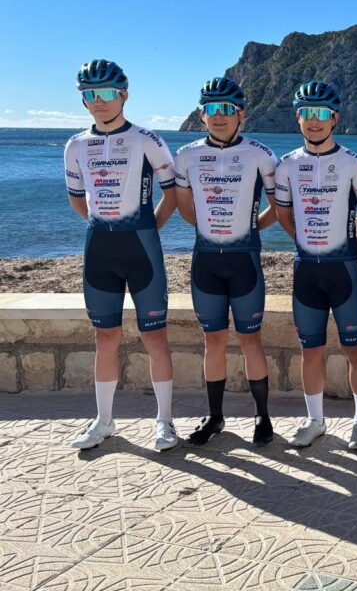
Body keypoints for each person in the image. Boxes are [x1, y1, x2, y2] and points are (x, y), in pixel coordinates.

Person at [64, 59, 179, 451]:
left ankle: (164, 422)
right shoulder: (76, 145)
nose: (98, 101)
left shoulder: (147, 139)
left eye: (107, 93)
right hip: (100, 248)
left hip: (142, 247)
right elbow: (77, 200)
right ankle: (103, 421)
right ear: (83, 99)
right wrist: (105, 225)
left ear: (124, 95)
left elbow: (172, 195)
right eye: (89, 94)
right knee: (105, 336)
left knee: (155, 336)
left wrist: (146, 228)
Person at [274, 82, 357, 449]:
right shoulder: (287, 165)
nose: (314, 120)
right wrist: (304, 243)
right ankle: (315, 421)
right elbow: (283, 214)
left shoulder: (353, 163)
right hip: (307, 269)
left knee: (356, 348)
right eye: (307, 113)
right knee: (310, 350)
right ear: (298, 117)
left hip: (343, 270)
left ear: (335, 118)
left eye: (322, 113)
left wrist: (353, 251)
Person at [174, 78, 278, 446]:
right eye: (211, 109)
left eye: (227, 109)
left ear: (241, 114)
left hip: (244, 261)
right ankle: (215, 417)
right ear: (202, 115)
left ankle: (263, 416)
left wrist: (248, 229)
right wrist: (212, 231)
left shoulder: (261, 155)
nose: (219, 116)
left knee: (251, 341)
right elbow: (185, 208)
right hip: (206, 261)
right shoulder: (186, 156)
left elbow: (278, 207)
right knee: (212, 341)